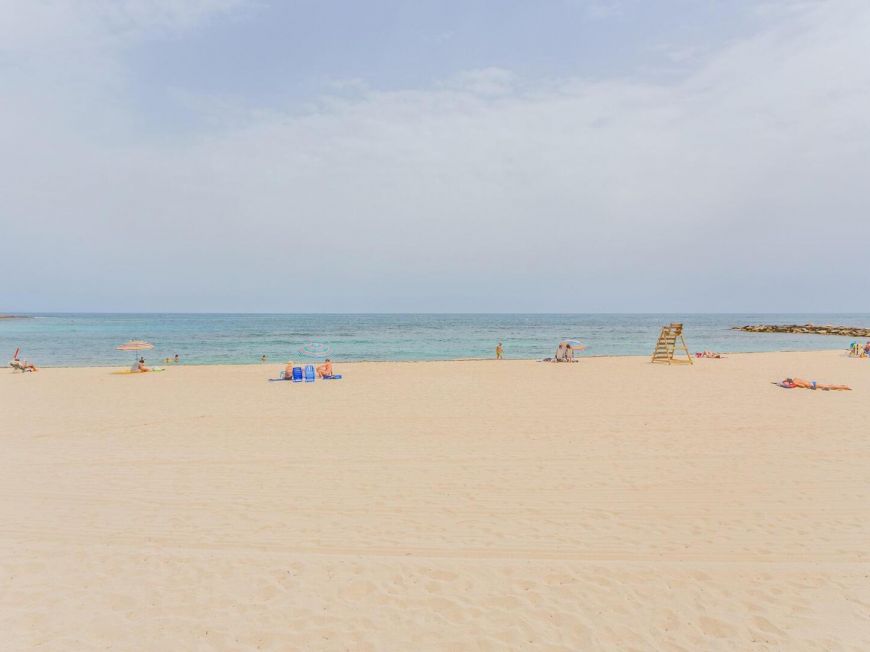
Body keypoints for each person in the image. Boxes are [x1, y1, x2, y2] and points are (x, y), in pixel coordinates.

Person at [777, 377, 851, 391]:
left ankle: (843, 387)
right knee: (827, 386)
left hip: (813, 385)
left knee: (829, 387)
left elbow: (803, 386)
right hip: (812, 383)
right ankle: (841, 387)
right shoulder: (796, 378)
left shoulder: (796, 382)